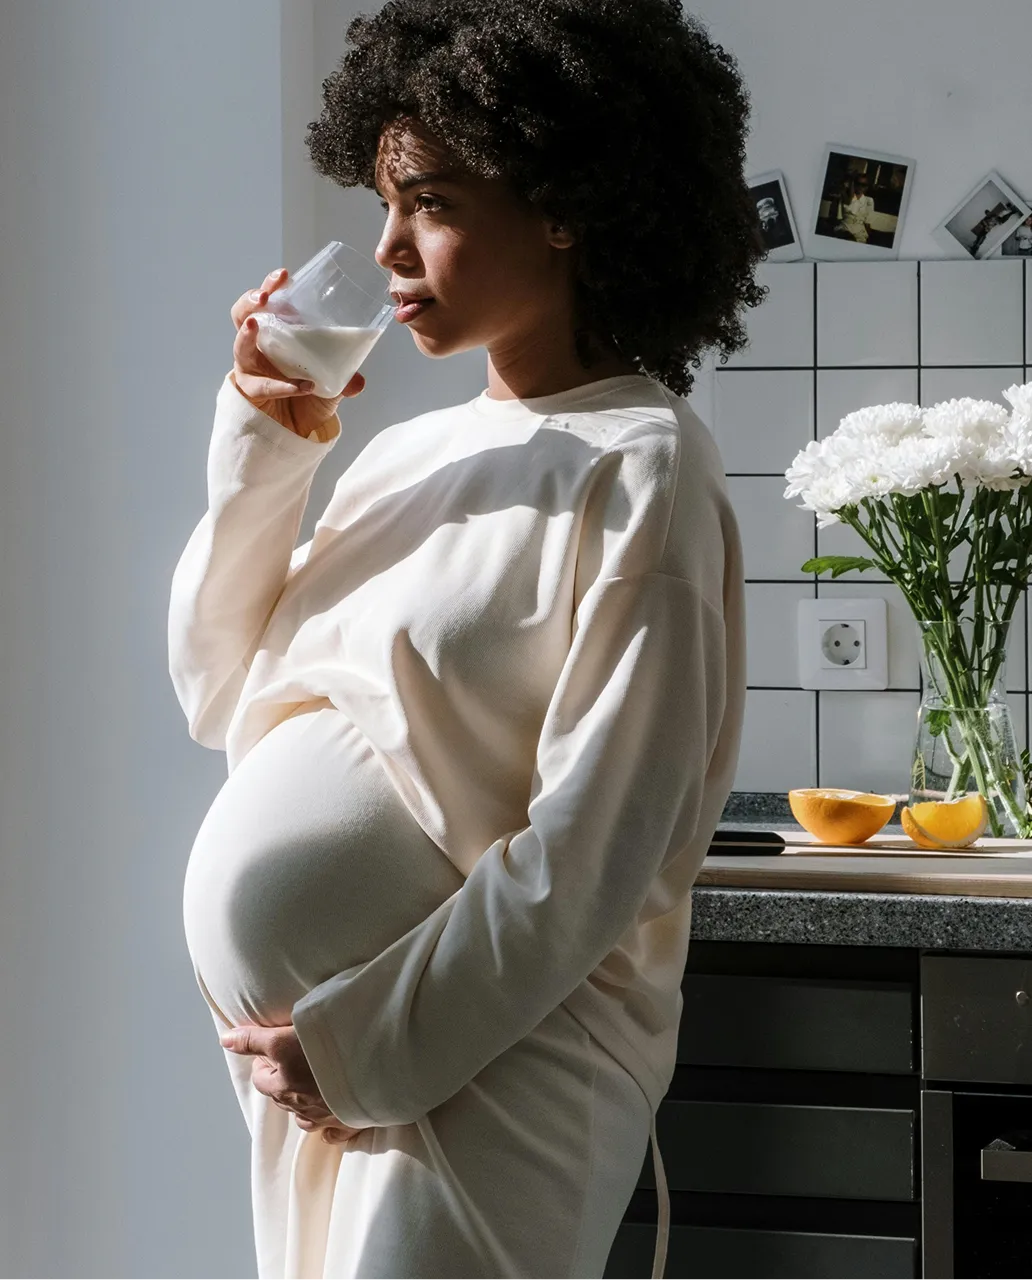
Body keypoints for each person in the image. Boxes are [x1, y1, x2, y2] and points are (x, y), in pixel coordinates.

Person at [168, 1, 763, 1277]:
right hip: (315, 1069)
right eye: (382, 203)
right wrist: (266, 440)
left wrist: (362, 1042)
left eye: (427, 202)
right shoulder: (400, 452)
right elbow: (217, 690)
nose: (385, 249)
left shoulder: (646, 468)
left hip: (483, 1069)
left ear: (562, 202)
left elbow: (594, 848)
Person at [833, 171, 876, 243]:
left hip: (859, 233)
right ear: (853, 184)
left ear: (867, 187)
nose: (860, 187)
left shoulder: (868, 201)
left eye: (863, 185)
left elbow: (868, 222)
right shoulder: (845, 198)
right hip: (844, 230)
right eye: (858, 184)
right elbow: (838, 218)